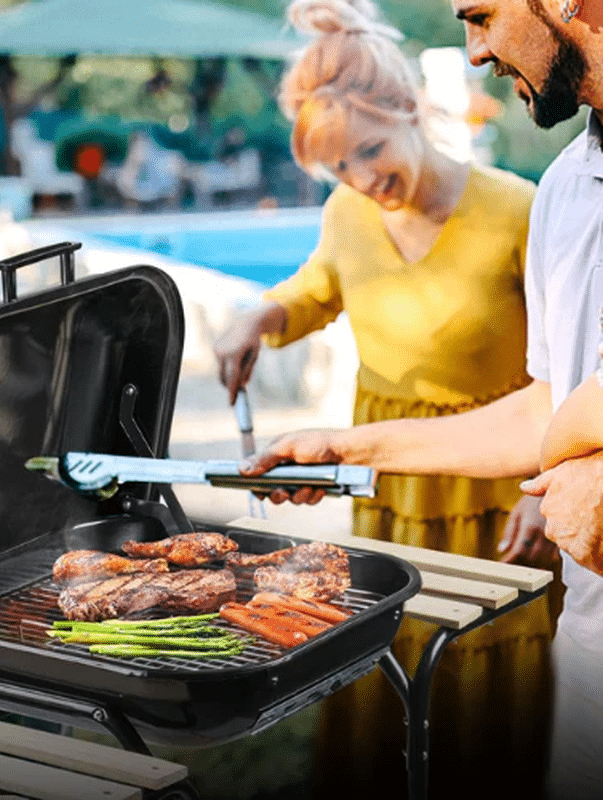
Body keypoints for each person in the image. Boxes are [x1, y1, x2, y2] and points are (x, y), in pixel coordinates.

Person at [240, 1, 603, 797]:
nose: (472, 53)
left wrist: (560, 469)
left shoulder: (511, 205)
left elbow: (561, 410)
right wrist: (342, 443)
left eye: (481, 14)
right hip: (555, 606)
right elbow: (549, 411)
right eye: (342, 168)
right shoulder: (567, 192)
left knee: (485, 683)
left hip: (504, 512)